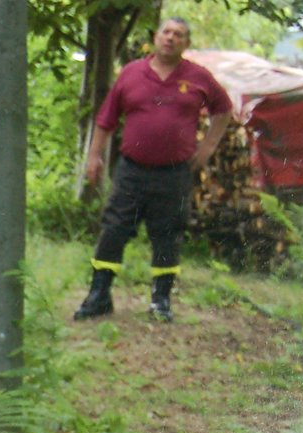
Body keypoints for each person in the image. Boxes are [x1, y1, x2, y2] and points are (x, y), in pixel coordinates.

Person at [74, 17, 234, 323]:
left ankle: (161, 300)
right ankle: (99, 296)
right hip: (131, 171)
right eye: (166, 32)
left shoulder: (198, 77)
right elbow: (106, 120)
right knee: (114, 229)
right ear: (155, 37)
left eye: (179, 35)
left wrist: (208, 148)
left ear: (186, 44)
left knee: (168, 234)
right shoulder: (132, 73)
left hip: (173, 174)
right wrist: (94, 157)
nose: (171, 38)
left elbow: (223, 110)